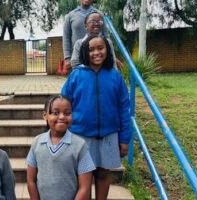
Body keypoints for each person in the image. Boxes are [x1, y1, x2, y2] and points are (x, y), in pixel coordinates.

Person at [61, 35, 131, 200]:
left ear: (107, 49)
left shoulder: (115, 76)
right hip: (81, 136)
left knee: (103, 174)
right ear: (85, 52)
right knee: (83, 177)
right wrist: (63, 134)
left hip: (108, 135)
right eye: (91, 49)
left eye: (101, 48)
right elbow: (63, 105)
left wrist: (124, 139)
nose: (96, 52)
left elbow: (124, 109)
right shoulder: (76, 75)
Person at [26, 95, 95, 200]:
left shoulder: (80, 145)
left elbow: (85, 187)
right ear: (45, 116)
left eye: (67, 113)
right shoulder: (37, 142)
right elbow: (31, 180)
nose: (62, 117)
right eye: (56, 113)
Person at [62, 0, 108, 71]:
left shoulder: (99, 14)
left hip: (96, 55)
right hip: (78, 56)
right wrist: (67, 58)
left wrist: (110, 53)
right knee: (80, 78)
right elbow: (66, 37)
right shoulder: (70, 15)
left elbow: (106, 36)